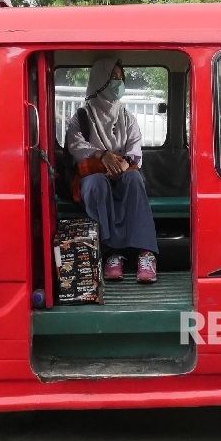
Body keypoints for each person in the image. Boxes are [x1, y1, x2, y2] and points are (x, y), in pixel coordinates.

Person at [65, 58, 159, 283]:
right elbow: (75, 146)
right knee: (97, 184)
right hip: (93, 175)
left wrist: (123, 165)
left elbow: (135, 148)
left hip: (123, 171)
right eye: (112, 78)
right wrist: (102, 155)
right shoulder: (81, 117)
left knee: (134, 179)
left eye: (120, 79)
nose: (118, 83)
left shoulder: (126, 117)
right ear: (99, 81)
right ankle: (112, 254)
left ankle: (145, 253)